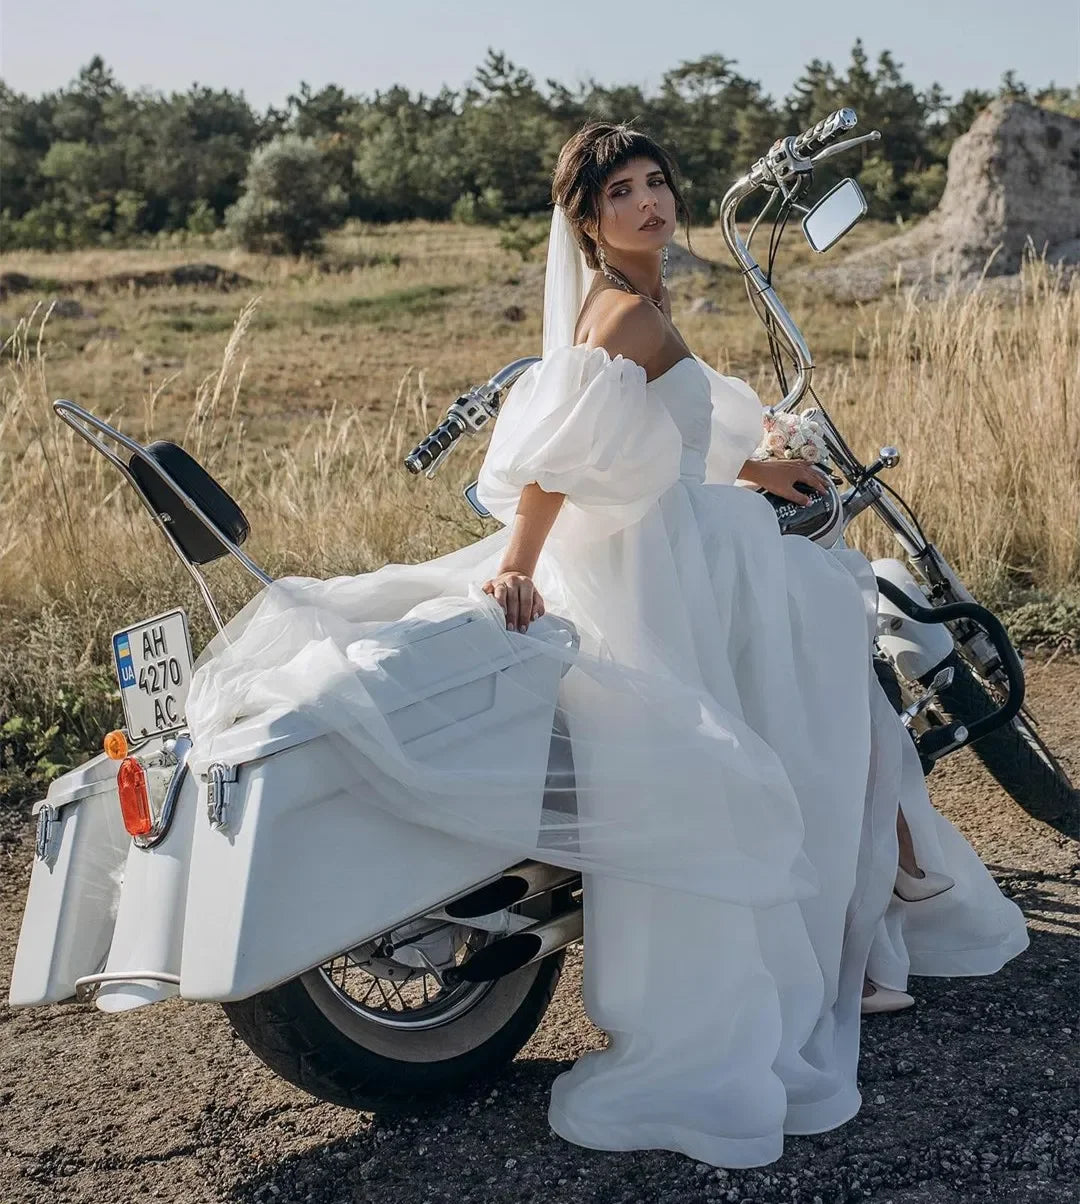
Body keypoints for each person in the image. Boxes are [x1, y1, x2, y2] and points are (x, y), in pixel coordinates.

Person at [185, 120, 1027, 1169]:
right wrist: (522, 563)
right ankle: (851, 924)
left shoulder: (646, 301)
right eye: (620, 190)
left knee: (813, 668)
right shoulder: (620, 312)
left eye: (657, 182)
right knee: (824, 640)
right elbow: (554, 460)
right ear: (585, 220)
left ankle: (860, 913)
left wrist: (755, 469)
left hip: (686, 533)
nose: (647, 201)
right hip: (662, 562)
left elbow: (661, 437)